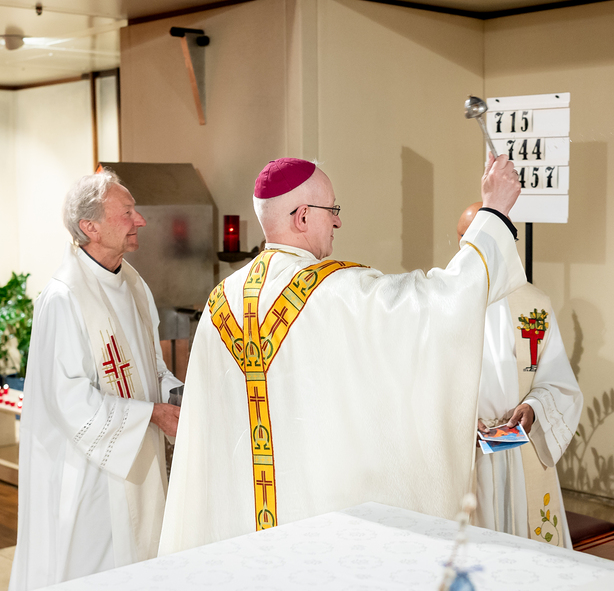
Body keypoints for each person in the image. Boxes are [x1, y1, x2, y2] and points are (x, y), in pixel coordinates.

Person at [159, 154, 525, 555]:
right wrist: (494, 211)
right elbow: (442, 305)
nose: (337, 222)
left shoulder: (219, 302)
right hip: (314, 532)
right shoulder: (336, 292)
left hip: (238, 532)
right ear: (302, 217)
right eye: (332, 210)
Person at [8, 171, 182, 591]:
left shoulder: (134, 284)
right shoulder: (63, 297)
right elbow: (68, 399)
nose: (140, 220)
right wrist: (153, 415)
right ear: (90, 227)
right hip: (89, 473)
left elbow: (151, 369)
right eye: (127, 212)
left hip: (137, 458)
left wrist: (177, 396)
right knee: (92, 582)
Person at [457, 203, 583, 549]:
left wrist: (534, 407)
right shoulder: (444, 302)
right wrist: (460, 418)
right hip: (466, 449)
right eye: (465, 239)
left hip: (517, 445)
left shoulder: (534, 305)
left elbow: (558, 382)